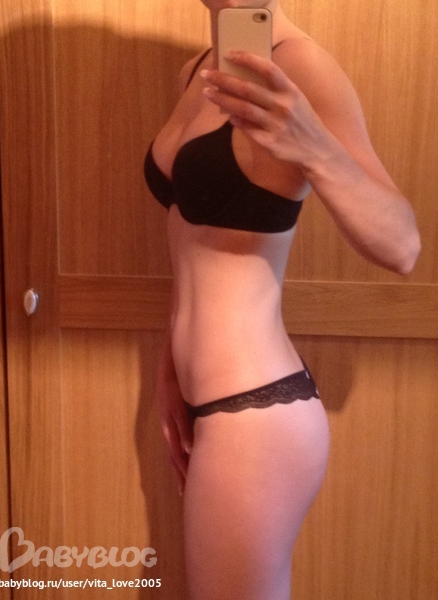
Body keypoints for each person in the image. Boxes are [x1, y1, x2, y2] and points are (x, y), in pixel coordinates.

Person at [144, 1, 421, 598]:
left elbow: (402, 246)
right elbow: (193, 240)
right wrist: (170, 365)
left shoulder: (302, 66)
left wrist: (316, 148)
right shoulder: (200, 68)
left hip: (255, 417)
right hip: (207, 403)